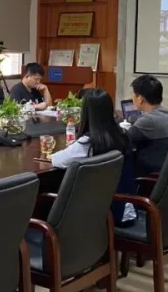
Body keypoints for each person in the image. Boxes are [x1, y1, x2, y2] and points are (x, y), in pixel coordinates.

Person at [49, 88, 136, 226]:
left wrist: (71, 147)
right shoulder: (122, 134)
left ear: (86, 113)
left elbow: (56, 160)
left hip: (102, 216)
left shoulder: (88, 143)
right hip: (125, 207)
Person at [127, 74, 168, 175]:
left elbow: (124, 141)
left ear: (140, 99)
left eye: (133, 94)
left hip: (152, 176)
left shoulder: (148, 120)